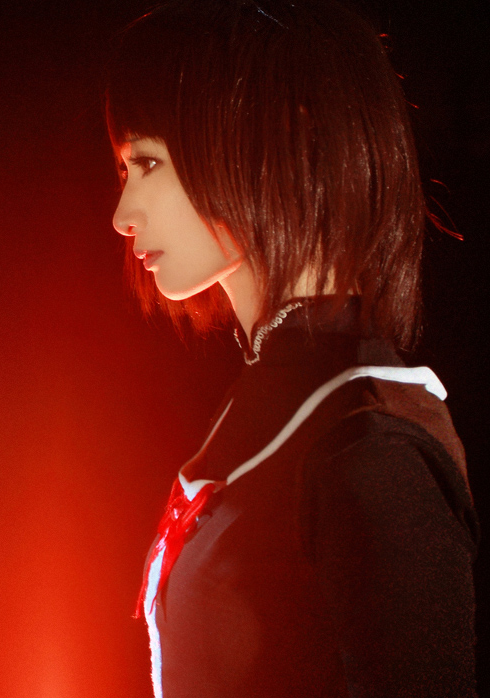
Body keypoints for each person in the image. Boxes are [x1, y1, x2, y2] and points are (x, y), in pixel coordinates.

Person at [106, 1, 477, 696]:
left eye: (148, 162)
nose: (123, 215)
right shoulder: (276, 396)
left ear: (277, 139)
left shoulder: (371, 441)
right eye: (125, 169)